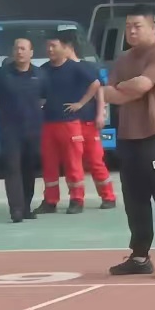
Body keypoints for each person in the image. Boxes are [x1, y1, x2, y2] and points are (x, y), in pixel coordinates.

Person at [104, 5, 155, 280]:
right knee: (134, 201)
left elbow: (142, 86)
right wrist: (128, 88)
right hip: (128, 138)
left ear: (152, 27)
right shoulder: (123, 59)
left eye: (137, 26)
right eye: (128, 26)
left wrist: (126, 88)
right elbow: (109, 94)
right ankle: (139, 256)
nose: (132, 31)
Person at [37, 31, 98, 215]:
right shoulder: (43, 70)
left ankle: (77, 199)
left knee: (73, 163)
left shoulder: (75, 68)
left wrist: (80, 103)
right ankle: (50, 201)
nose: (50, 50)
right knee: (49, 164)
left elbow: (95, 84)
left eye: (54, 46)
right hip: (48, 123)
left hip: (70, 123)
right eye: (48, 46)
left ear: (64, 48)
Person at [0, 35, 45, 223]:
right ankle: (16, 209)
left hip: (33, 129)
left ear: (31, 53)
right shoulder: (2, 73)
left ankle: (26, 207)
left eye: (23, 49)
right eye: (16, 48)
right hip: (9, 129)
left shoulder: (40, 74)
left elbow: (44, 97)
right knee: (12, 168)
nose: (19, 52)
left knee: (29, 169)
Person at [63, 31, 118, 211]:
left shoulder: (88, 67)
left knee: (95, 160)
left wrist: (100, 113)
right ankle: (76, 199)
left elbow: (99, 90)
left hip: (88, 122)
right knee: (73, 163)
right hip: (70, 122)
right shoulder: (59, 70)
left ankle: (108, 196)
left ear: (68, 48)